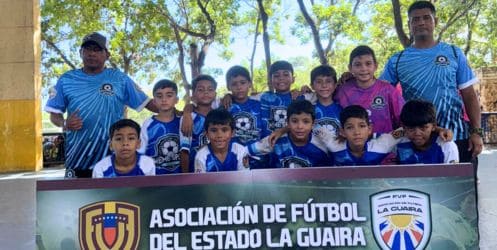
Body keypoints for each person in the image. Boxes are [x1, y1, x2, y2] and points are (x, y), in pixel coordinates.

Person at [380, 1, 483, 164]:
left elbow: (469, 95)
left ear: (435, 21)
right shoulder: (397, 60)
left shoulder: (454, 53)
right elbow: (378, 91)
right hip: (416, 140)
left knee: (462, 189)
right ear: (409, 24)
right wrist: (352, 78)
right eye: (415, 19)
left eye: (426, 17)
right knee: (417, 189)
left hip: (457, 136)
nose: (421, 22)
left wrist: (476, 131)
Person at [44, 32, 155, 178]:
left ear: (107, 55)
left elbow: (147, 103)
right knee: (80, 201)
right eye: (87, 49)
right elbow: (54, 114)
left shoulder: (119, 78)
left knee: (115, 200)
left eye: (97, 50)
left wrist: (184, 112)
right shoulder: (66, 80)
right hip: (78, 160)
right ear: (80, 53)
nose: (91, 53)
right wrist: (64, 122)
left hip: (113, 162)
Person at [336, 45, 404, 134]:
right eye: (358, 65)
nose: (363, 69)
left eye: (368, 64)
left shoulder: (388, 90)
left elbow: (405, 123)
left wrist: (391, 139)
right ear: (350, 68)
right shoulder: (342, 91)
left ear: (375, 66)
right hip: (352, 146)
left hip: (385, 146)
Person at [249, 100, 332, 168]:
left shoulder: (322, 144)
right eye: (294, 121)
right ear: (287, 123)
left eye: (306, 122)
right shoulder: (275, 140)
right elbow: (247, 151)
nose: (300, 126)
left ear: (313, 124)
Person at [224, 65, 266, 169]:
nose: (239, 87)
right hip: (234, 160)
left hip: (260, 159)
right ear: (228, 87)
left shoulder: (260, 103)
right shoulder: (224, 106)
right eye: (234, 84)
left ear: (250, 84)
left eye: (243, 83)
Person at [139, 79, 182, 174]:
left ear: (176, 100)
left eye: (169, 95)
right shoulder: (148, 124)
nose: (164, 99)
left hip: (181, 180)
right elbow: (140, 153)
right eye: (159, 96)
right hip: (155, 181)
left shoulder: (183, 121)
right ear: (154, 101)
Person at [396, 100, 459, 164]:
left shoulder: (447, 145)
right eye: (411, 128)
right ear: (403, 127)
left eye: (423, 128)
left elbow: (454, 172)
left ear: (434, 126)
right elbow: (386, 140)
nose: (417, 133)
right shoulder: (399, 136)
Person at [180, 74, 217, 173]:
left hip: (218, 171)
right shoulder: (188, 118)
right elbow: (184, 150)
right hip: (195, 171)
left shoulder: (219, 115)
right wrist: (185, 177)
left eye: (210, 89)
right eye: (200, 90)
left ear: (215, 94)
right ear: (193, 95)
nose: (206, 92)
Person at [257, 60, 304, 137]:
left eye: (286, 75)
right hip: (269, 145)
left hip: (293, 146)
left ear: (293, 79)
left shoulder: (300, 98)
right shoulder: (264, 97)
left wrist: (306, 89)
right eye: (276, 75)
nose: (281, 78)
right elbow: (241, 96)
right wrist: (230, 96)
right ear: (270, 80)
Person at [309, 65, 342, 135]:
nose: (324, 85)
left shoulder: (342, 108)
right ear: (312, 86)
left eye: (328, 81)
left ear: (335, 85)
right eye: (319, 82)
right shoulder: (308, 109)